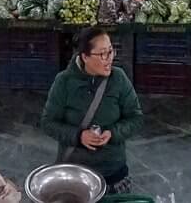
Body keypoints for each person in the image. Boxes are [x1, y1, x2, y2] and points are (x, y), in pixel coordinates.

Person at [41, 28, 143, 194]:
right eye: (102, 54)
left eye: (110, 51)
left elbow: (136, 118)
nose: (109, 59)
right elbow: (48, 123)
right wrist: (78, 136)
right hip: (75, 175)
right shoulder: (64, 82)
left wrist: (113, 133)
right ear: (85, 57)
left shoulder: (119, 79)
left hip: (113, 173)